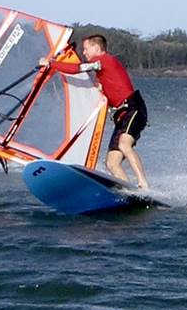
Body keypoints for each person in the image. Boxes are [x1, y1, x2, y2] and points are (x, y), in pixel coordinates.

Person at [53, 30, 150, 191]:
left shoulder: (104, 60)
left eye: (86, 49)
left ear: (97, 48)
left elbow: (79, 68)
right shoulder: (102, 73)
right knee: (111, 163)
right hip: (121, 116)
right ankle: (130, 192)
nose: (84, 53)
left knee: (124, 145)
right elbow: (102, 93)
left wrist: (51, 64)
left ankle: (143, 184)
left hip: (133, 108)